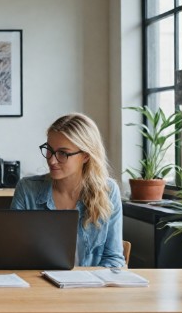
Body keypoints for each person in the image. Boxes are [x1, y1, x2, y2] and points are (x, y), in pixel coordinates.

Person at [10, 113, 125, 268]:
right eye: (49, 150)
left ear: (85, 156)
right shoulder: (27, 189)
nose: (51, 160)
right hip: (39, 286)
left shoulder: (108, 191)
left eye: (63, 153)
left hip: (89, 288)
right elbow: (13, 253)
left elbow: (113, 259)